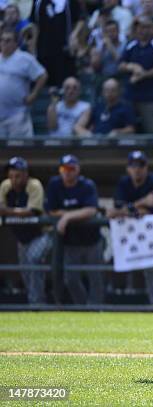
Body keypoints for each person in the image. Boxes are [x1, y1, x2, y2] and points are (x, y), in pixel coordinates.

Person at [107, 151, 153, 305]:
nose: (137, 169)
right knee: (115, 257)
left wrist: (128, 209)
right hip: (135, 229)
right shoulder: (124, 183)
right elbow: (116, 210)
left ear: (146, 167)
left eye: (140, 166)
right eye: (133, 166)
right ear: (128, 168)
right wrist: (139, 204)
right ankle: (115, 301)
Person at [45, 155, 104, 305]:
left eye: (71, 169)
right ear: (60, 170)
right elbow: (51, 211)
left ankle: (96, 309)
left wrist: (66, 217)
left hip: (91, 239)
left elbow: (91, 210)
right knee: (71, 279)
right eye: (65, 168)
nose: (68, 172)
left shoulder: (87, 185)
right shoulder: (54, 184)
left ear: (78, 170)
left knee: (95, 277)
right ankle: (82, 307)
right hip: (71, 241)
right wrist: (77, 213)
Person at [0, 157, 50, 304]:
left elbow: (31, 211)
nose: (14, 179)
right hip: (22, 237)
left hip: (42, 232)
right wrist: (11, 211)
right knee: (25, 270)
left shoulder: (34, 185)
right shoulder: (5, 186)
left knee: (33, 260)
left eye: (18, 175)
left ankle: (37, 303)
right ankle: (34, 300)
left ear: (26, 174)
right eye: (11, 175)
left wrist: (8, 211)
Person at [118, 15, 153, 134]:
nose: (143, 30)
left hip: (151, 97)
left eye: (147, 27)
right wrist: (132, 66)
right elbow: (120, 64)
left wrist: (144, 74)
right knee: (127, 130)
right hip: (130, 96)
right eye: (141, 27)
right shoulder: (131, 45)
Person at [0, 29, 47, 137]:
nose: (4, 43)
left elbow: (42, 75)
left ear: (16, 43)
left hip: (17, 115)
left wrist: (33, 95)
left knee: (19, 150)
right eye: (2, 40)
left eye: (8, 40)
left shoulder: (25, 58)